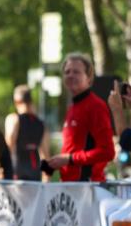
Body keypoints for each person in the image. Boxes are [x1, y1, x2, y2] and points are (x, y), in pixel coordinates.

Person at [46, 53, 115, 182]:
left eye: (76, 72)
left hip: (88, 186)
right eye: (67, 72)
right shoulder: (73, 107)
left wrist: (70, 159)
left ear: (89, 78)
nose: (70, 75)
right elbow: (73, 149)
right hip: (70, 187)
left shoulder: (96, 106)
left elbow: (108, 152)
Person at [4, 85, 50, 181]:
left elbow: (8, 147)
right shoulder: (40, 124)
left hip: (16, 172)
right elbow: (45, 156)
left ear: (16, 101)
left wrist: (2, 171)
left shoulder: (13, 119)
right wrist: (46, 178)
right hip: (35, 173)